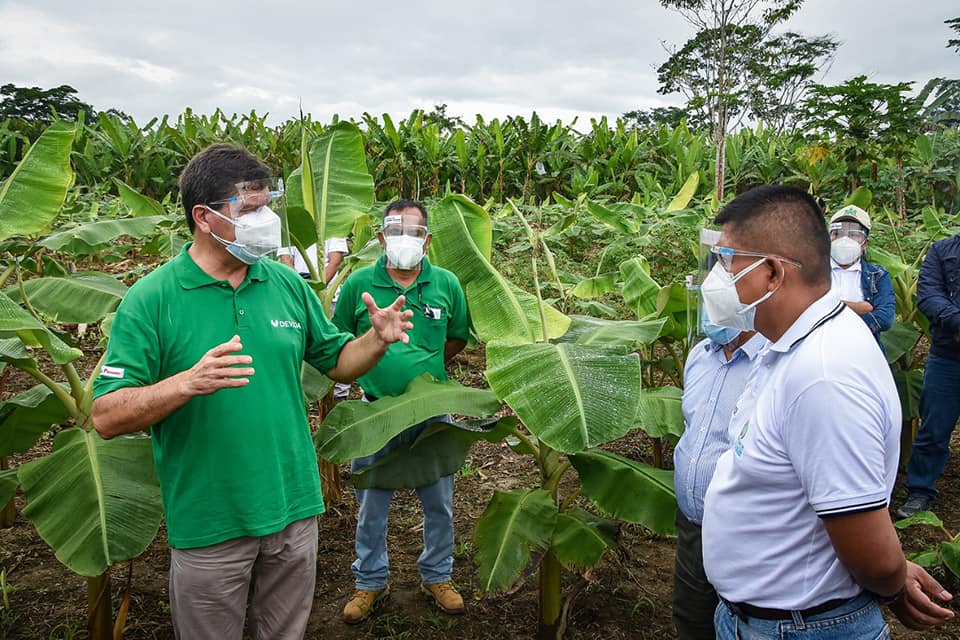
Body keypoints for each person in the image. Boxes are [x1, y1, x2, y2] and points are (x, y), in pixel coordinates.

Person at [91, 143, 414, 640]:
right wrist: (186, 383)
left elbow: (337, 363)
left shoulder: (285, 283)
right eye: (251, 209)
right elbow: (107, 416)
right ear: (204, 217)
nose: (266, 220)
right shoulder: (152, 299)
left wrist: (375, 339)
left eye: (268, 206)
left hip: (294, 509)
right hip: (210, 521)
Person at [698, 185, 954, 638]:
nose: (714, 278)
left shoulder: (823, 375)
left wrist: (891, 580)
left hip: (805, 627)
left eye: (726, 262)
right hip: (768, 620)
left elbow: (868, 547)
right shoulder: (794, 346)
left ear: (773, 273)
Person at [332, 199, 469, 624]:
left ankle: (437, 575)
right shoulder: (359, 285)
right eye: (396, 230)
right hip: (374, 413)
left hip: (432, 412)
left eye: (414, 231)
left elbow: (457, 339)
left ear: (427, 240)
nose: (404, 239)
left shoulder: (446, 284)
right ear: (380, 238)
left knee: (439, 503)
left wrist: (422, 374)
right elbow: (341, 343)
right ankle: (369, 581)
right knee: (372, 502)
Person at [672, 318, 766, 640]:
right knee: (691, 620)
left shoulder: (770, 362)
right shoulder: (699, 356)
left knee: (744, 626)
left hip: (745, 535)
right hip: (691, 526)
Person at [898, 230, 960, 518]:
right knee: (934, 428)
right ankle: (920, 491)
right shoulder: (942, 251)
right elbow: (929, 295)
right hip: (948, 356)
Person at [278, 238, 352, 398]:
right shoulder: (290, 224)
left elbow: (335, 261)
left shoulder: (334, 231)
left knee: (334, 344)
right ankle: (300, 393)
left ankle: (339, 395)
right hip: (297, 292)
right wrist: (301, 289)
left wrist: (315, 290)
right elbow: (285, 259)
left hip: (326, 293)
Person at [827, 204, 895, 348]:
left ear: (865, 243)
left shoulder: (878, 275)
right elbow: (799, 309)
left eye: (853, 234)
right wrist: (858, 307)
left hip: (863, 350)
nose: (844, 239)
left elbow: (884, 319)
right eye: (838, 233)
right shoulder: (812, 271)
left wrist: (826, 309)